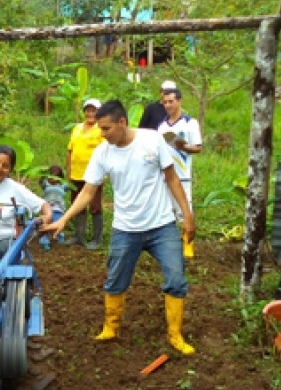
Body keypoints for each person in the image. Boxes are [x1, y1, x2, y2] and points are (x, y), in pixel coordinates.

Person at [42, 100, 197, 355]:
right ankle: (111, 328)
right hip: (125, 229)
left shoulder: (152, 141)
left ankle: (175, 335)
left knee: (177, 279)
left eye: (106, 128)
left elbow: (172, 178)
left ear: (122, 123)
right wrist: (64, 218)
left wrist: (187, 216)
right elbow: (88, 192)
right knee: (115, 280)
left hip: (162, 226)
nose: (102, 134)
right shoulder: (103, 152)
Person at [157, 88, 203, 258]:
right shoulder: (161, 127)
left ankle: (188, 245)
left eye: (171, 101)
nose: (168, 105)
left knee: (185, 210)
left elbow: (198, 147)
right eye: (165, 102)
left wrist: (183, 146)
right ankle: (169, 245)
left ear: (179, 101)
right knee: (165, 211)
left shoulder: (190, 123)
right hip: (163, 176)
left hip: (182, 174)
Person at [66, 98, 105, 249]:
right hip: (76, 173)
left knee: (95, 205)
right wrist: (68, 169)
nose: (90, 113)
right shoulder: (77, 128)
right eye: (88, 110)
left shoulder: (101, 129)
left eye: (93, 110)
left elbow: (105, 151)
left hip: (94, 174)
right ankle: (79, 235)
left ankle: (97, 239)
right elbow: (70, 150)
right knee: (77, 204)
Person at [38, 165, 69, 252]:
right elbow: (40, 181)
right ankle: (44, 241)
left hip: (59, 209)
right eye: (51, 177)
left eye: (56, 177)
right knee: (46, 225)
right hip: (47, 210)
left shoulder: (62, 185)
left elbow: (71, 186)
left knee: (57, 223)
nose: (53, 179)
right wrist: (43, 173)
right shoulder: (46, 184)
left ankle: (59, 236)